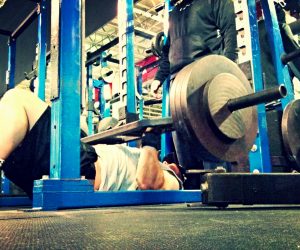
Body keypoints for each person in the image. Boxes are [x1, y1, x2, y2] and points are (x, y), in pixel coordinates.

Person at [0, 88, 183, 199]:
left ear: (178, 171)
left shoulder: (173, 180)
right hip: (79, 165)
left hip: (81, 173)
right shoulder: (155, 164)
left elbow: (148, 184)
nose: (169, 162)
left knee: (17, 98)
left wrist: (150, 141)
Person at [150, 0, 238, 169]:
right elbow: (167, 51)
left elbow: (229, 34)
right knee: (185, 156)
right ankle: (191, 190)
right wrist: (158, 79)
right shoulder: (174, 13)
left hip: (204, 79)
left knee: (211, 154)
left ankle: (217, 192)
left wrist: (228, 72)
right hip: (178, 85)